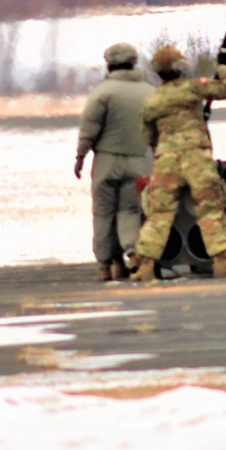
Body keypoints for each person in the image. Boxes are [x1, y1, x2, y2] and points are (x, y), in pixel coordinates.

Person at [131, 44, 226, 282]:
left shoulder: (152, 100)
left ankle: (145, 265)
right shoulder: (193, 88)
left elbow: (147, 136)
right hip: (196, 157)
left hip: (167, 160)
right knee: (210, 208)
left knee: (159, 213)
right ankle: (221, 261)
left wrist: (162, 150)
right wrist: (223, 67)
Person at [74, 42, 154, 282]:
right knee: (130, 210)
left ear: (109, 64)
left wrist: (80, 156)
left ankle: (106, 265)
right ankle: (131, 252)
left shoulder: (102, 93)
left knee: (103, 213)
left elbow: (89, 128)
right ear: (134, 63)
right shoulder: (149, 92)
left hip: (107, 160)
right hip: (140, 159)